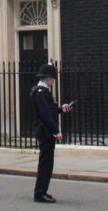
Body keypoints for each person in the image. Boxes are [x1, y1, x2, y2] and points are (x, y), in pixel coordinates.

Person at [31, 64, 72, 203]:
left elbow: (50, 110)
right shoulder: (40, 92)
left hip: (46, 131)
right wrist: (56, 130)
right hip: (45, 132)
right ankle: (39, 193)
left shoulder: (42, 91)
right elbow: (45, 114)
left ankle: (43, 191)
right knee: (45, 164)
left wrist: (61, 109)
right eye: (53, 79)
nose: (53, 82)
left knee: (47, 163)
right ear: (48, 78)